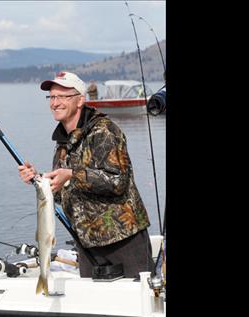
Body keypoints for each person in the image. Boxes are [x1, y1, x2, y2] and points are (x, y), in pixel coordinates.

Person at [18, 71, 154, 278]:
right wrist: (39, 180)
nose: (55, 103)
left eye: (62, 97)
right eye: (52, 97)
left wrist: (71, 174)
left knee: (140, 305)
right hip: (87, 244)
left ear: (80, 100)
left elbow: (117, 181)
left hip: (124, 240)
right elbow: (63, 194)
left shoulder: (104, 131)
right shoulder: (63, 142)